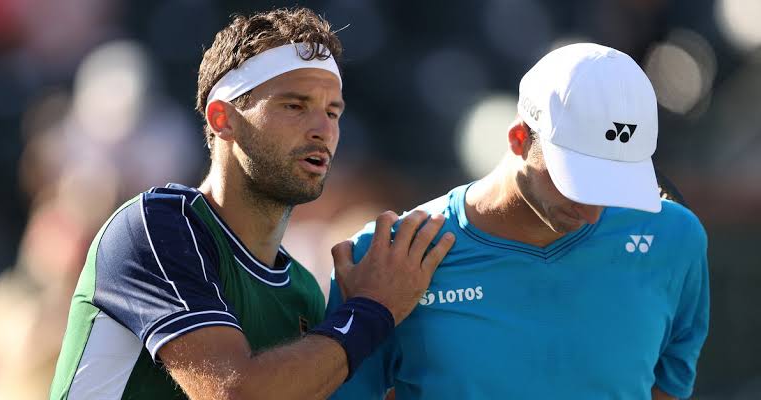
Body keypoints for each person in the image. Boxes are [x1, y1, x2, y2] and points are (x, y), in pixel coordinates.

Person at [49, 8, 455, 400]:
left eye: (333, 112)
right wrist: (373, 309)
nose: (322, 130)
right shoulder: (156, 226)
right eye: (295, 106)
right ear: (222, 118)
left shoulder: (303, 290)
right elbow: (233, 393)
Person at [329, 43, 709, 400]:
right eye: (578, 183)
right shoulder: (384, 256)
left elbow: (667, 383)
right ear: (518, 138)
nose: (593, 212)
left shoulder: (676, 238)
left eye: (614, 183)